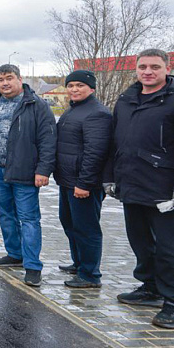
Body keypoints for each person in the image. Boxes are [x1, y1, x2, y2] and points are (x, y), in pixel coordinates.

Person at [106, 49, 174, 329]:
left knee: (169, 248)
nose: (147, 71)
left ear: (167, 68)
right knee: (140, 241)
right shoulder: (126, 101)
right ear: (135, 69)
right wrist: (111, 177)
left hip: (164, 191)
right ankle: (151, 288)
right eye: (142, 67)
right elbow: (114, 144)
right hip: (131, 186)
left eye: (154, 66)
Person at [0, 64, 56, 287]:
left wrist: (43, 170)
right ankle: (14, 253)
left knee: (29, 218)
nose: (5, 83)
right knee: (5, 214)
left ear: (20, 79)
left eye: (9, 78)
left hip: (25, 172)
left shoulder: (36, 105)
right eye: (0, 79)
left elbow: (48, 140)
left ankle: (32, 266)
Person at [54, 70, 112, 288]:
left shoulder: (97, 113)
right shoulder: (74, 110)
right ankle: (79, 263)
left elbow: (95, 152)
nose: (74, 89)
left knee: (87, 228)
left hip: (83, 184)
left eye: (80, 85)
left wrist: (84, 183)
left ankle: (90, 274)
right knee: (69, 223)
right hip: (68, 180)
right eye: (71, 85)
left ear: (92, 88)